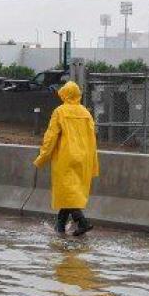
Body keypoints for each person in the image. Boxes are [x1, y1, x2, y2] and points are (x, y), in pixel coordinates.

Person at [33, 81, 99, 236]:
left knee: (67, 192)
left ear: (64, 94)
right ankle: (60, 228)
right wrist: (94, 162)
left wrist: (42, 157)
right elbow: (92, 139)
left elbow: (50, 138)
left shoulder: (60, 111)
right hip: (84, 157)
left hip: (66, 157)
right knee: (70, 193)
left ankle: (82, 222)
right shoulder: (86, 113)